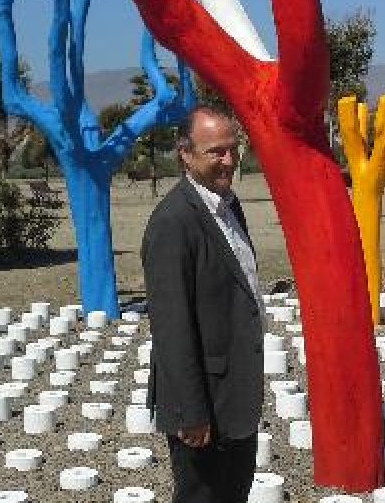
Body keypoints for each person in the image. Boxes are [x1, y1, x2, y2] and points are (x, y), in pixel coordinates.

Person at [140, 106, 264, 503]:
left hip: (235, 397)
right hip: (204, 406)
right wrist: (190, 412)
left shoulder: (228, 205)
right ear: (185, 154)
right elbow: (171, 328)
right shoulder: (173, 223)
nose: (229, 160)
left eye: (233, 149)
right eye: (216, 152)